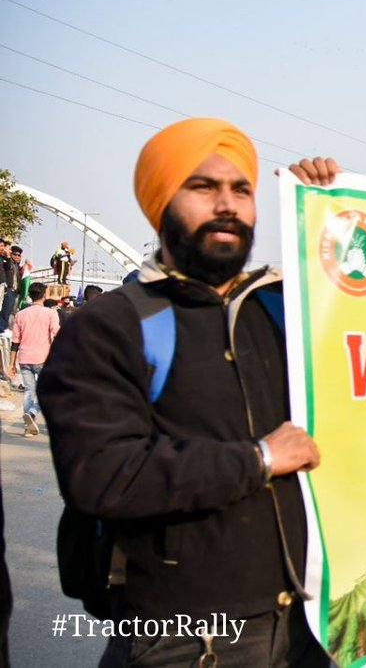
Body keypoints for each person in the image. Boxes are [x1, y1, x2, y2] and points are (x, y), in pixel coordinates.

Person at [38, 118, 330, 667]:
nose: (227, 204)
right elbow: (103, 475)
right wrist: (259, 459)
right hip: (185, 641)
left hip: (307, 630)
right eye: (203, 187)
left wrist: (333, 218)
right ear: (161, 203)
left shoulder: (283, 311)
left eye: (241, 190)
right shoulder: (112, 326)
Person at [8, 281, 59, 437]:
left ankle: (28, 427)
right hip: (43, 357)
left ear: (30, 295)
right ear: (44, 296)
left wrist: (11, 363)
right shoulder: (51, 313)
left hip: (24, 358)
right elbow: (57, 333)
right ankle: (32, 412)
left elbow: (15, 341)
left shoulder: (21, 314)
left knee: (29, 391)